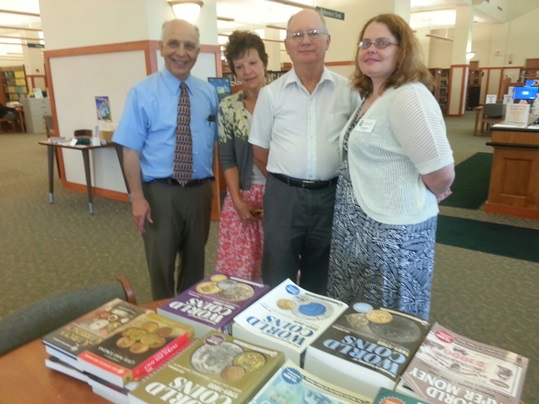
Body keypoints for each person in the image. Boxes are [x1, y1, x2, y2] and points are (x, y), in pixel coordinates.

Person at [327, 14, 455, 320]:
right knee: (356, 322)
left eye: (383, 43)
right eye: (366, 43)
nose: (372, 49)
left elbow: (441, 172)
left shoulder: (409, 96)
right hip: (358, 232)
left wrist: (432, 193)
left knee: (388, 325)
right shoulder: (372, 95)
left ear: (403, 51)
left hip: (392, 236)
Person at [249, 10, 360, 294]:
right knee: (277, 273)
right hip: (284, 197)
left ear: (327, 41)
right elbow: (260, 153)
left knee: (321, 274)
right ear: (287, 45)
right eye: (297, 35)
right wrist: (292, 181)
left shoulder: (348, 91)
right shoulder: (271, 94)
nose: (306, 41)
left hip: (330, 196)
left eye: (313, 34)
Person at [113, 19, 218, 300]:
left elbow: (215, 145)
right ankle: (164, 323)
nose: (181, 52)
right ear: (161, 47)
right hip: (159, 193)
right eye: (173, 43)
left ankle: (191, 318)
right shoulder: (142, 93)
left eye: (189, 46)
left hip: (199, 193)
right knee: (161, 267)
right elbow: (130, 151)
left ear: (198, 51)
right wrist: (137, 198)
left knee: (196, 267)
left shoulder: (208, 94)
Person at [214, 31, 268, 281]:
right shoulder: (228, 107)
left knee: (275, 269)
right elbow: (228, 159)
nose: (247, 71)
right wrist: (236, 201)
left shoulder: (284, 101)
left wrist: (280, 199)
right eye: (239, 66)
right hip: (242, 195)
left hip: (279, 196)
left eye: (253, 62)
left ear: (264, 63)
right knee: (238, 272)